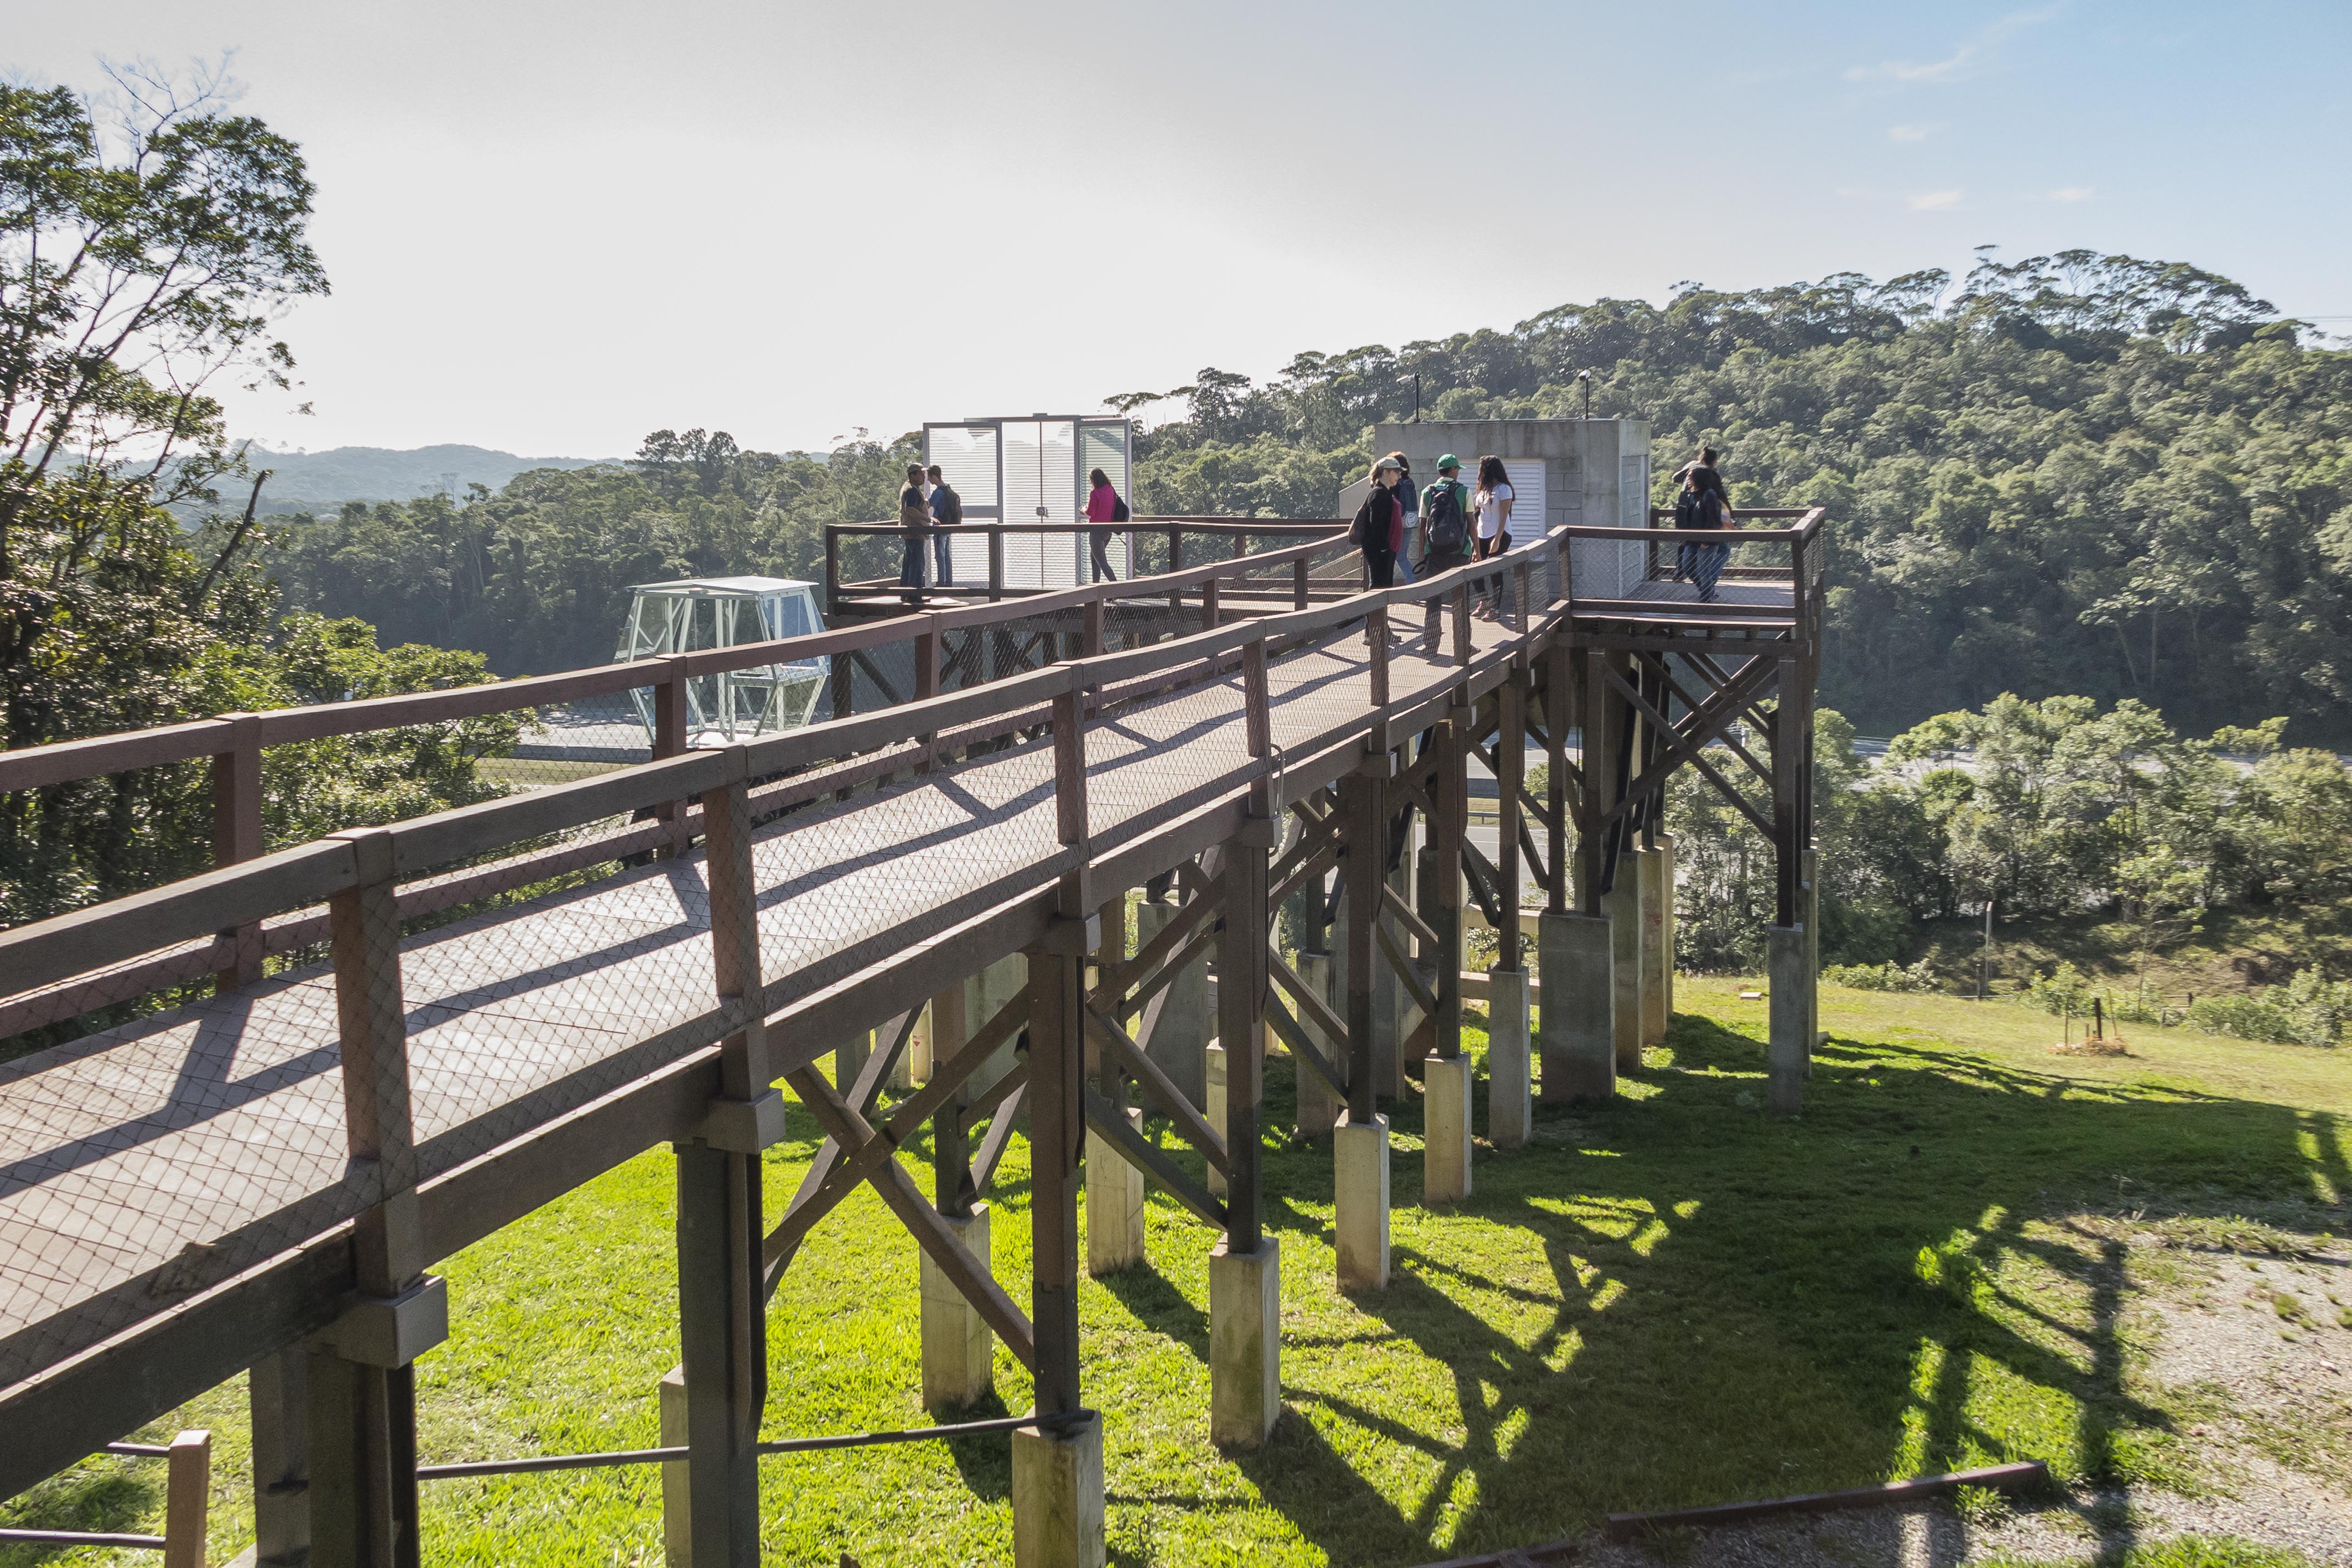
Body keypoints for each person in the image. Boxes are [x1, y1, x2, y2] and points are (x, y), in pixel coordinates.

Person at [1673, 447, 1735, 601]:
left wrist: (1707, 539)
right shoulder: (1698, 489)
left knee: (1704, 568)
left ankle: (1706, 598)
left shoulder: (1706, 493)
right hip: (1695, 534)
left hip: (1705, 536)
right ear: (1714, 461)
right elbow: (1720, 500)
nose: (1688, 480)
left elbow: (1711, 517)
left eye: (1690, 478)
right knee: (1698, 564)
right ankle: (1708, 589)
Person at [1470, 455, 1514, 619]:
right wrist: (1475, 544)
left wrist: (1497, 539)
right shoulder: (1483, 489)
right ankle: (1484, 600)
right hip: (1482, 534)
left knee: (1495, 570)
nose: (1480, 472)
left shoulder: (1504, 489)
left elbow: (1504, 516)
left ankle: (1495, 609)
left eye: (1483, 469)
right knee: (1474, 567)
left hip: (1500, 534)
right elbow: (1478, 515)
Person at [1418, 454, 1474, 579]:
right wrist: (1478, 552)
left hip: (1433, 551)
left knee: (1434, 591)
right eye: (1458, 469)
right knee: (1460, 592)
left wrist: (1421, 553)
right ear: (1453, 469)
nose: (1458, 472)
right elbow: (1471, 522)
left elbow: (1422, 525)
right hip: (1460, 550)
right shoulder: (1464, 491)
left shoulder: (1427, 492)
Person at [1352, 457, 1405, 587]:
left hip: (1387, 549)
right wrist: (1383, 548)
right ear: (1386, 472)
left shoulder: (1385, 492)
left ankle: (1380, 608)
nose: (1399, 475)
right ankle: (1374, 608)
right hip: (1380, 550)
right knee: (1379, 586)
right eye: (1396, 472)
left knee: (1385, 586)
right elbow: (1376, 524)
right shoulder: (1379, 494)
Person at [1084, 467, 1125, 582]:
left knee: (1102, 563)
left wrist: (1083, 510)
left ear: (1094, 480)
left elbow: (1090, 512)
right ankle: (1096, 587)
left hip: (1096, 531)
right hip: (1108, 531)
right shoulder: (1110, 490)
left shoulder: (1095, 493)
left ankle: (1115, 588)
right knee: (1095, 558)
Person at [896, 462, 930, 598]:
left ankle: (905, 593)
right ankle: (914, 595)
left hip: (911, 532)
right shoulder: (911, 489)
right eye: (921, 474)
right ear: (913, 475)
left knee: (909, 562)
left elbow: (913, 506)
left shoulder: (910, 488)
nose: (924, 477)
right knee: (917, 563)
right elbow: (909, 509)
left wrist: (924, 504)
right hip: (915, 532)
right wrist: (928, 519)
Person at [927, 463, 961, 587]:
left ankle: (941, 583)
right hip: (949, 527)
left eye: (929, 477)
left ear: (935, 477)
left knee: (940, 556)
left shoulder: (938, 493)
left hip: (940, 528)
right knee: (947, 556)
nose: (928, 480)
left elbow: (928, 505)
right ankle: (949, 582)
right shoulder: (948, 490)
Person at [1389, 452, 1418, 582]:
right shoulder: (1410, 482)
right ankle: (1411, 581)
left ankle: (1411, 581)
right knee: (1402, 556)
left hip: (1397, 523)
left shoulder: (1396, 484)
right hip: (1410, 521)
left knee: (1395, 556)